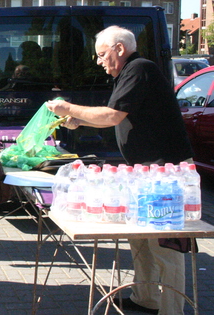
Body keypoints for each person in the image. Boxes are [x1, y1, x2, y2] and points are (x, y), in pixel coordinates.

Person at [46, 26, 194, 315]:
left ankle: (172, 309)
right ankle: (145, 298)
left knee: (166, 247)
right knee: (140, 239)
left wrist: (69, 108)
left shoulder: (140, 69)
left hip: (166, 172)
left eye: (102, 54)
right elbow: (114, 116)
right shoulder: (130, 73)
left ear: (120, 49)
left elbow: (112, 115)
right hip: (146, 171)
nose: (99, 61)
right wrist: (78, 121)